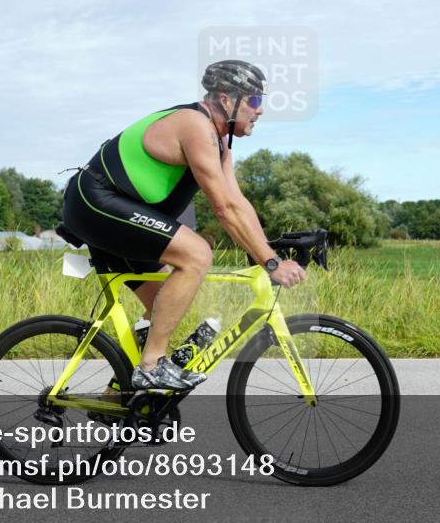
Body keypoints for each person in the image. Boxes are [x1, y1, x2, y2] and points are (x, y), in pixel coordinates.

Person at [60, 60, 306, 390]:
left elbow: (239, 203)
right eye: (255, 101)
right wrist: (271, 263)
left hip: (121, 211)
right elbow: (223, 208)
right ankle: (151, 367)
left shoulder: (220, 143)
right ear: (226, 99)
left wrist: (268, 251)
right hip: (95, 202)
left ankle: (118, 398)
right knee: (196, 255)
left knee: (164, 305)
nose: (260, 111)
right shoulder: (195, 125)